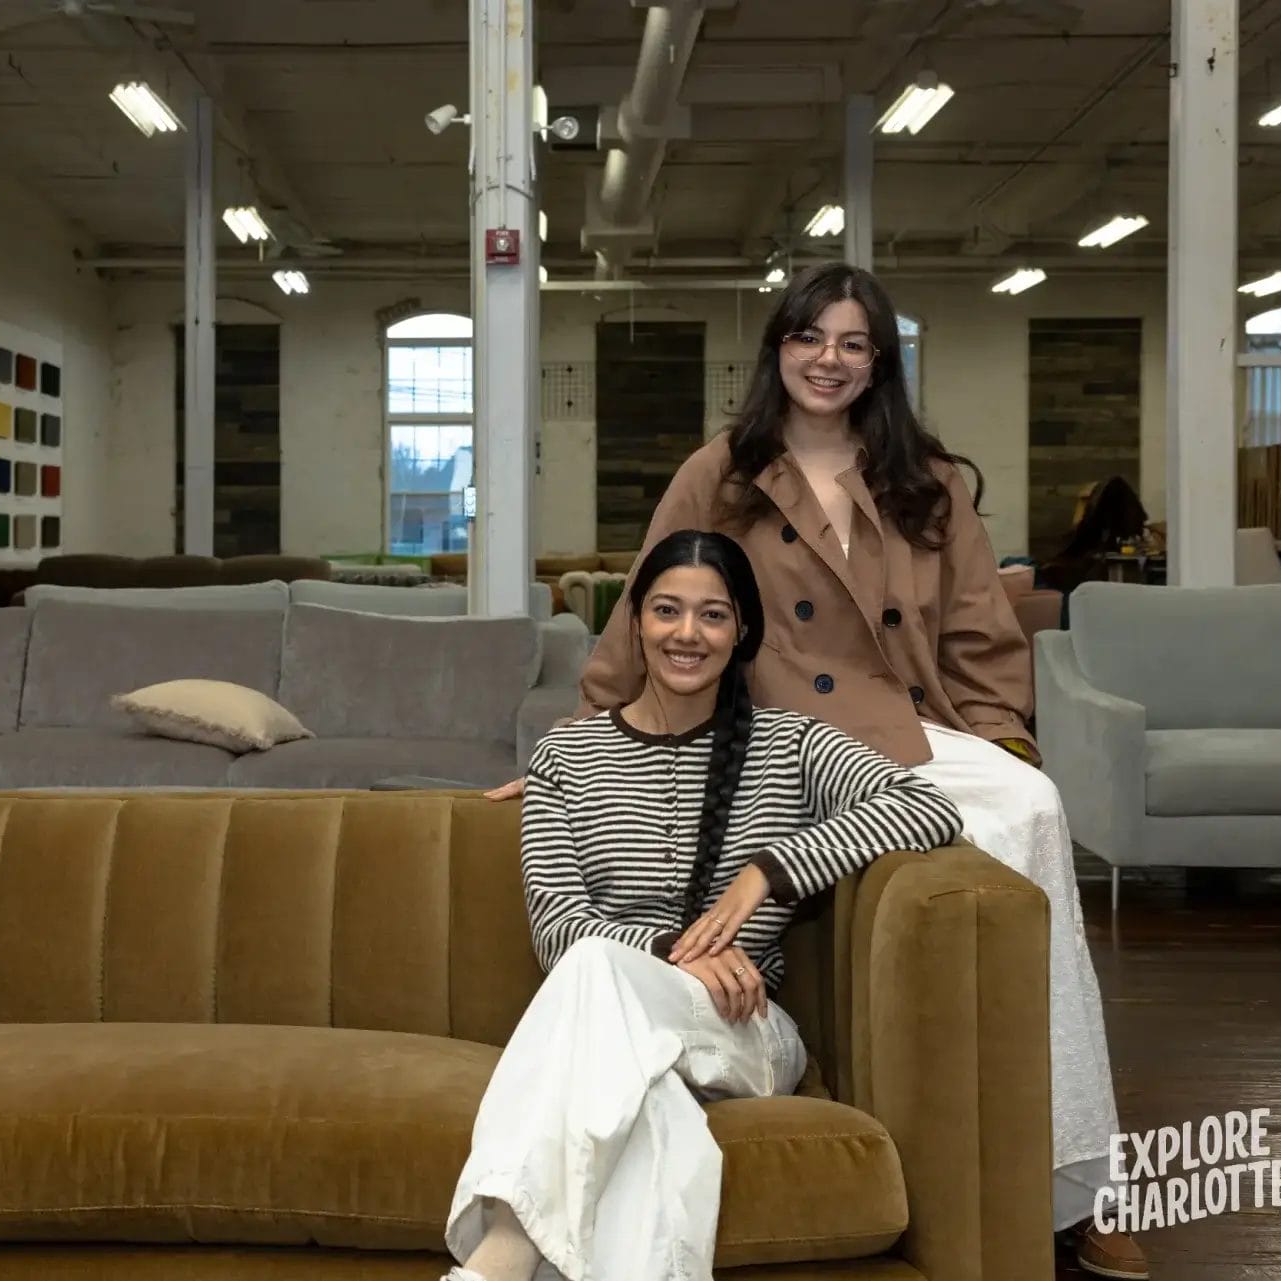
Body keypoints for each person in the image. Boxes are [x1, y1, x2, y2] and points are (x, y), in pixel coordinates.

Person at [487, 262, 1141, 1279]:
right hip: (777, 725)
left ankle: (1074, 1177)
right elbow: (653, 595)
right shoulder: (725, 467)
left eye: (851, 343)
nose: (827, 360)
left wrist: (1000, 734)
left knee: (1033, 806)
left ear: (878, 361)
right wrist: (586, 741)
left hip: (908, 723)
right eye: (808, 338)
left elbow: (974, 620)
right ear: (777, 349)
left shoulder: (923, 477)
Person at [446, 529, 963, 1281]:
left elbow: (927, 805)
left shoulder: (793, 745)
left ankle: (504, 1249)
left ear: (742, 630)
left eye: (712, 615)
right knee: (649, 1105)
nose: (688, 634)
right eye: (667, 611)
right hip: (618, 1019)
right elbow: (559, 931)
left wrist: (770, 869)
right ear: (636, 624)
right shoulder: (568, 755)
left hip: (746, 1027)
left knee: (599, 969)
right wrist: (678, 952)